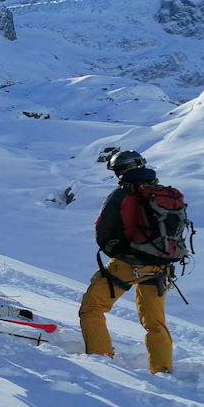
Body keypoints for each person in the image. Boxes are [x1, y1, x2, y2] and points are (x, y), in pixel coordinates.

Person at [79, 150, 173, 374]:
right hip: (160, 266)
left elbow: (102, 232)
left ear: (120, 171)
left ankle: (100, 360)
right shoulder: (163, 193)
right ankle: (162, 369)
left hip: (128, 264)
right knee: (155, 322)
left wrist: (117, 249)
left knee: (92, 307)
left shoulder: (122, 195)